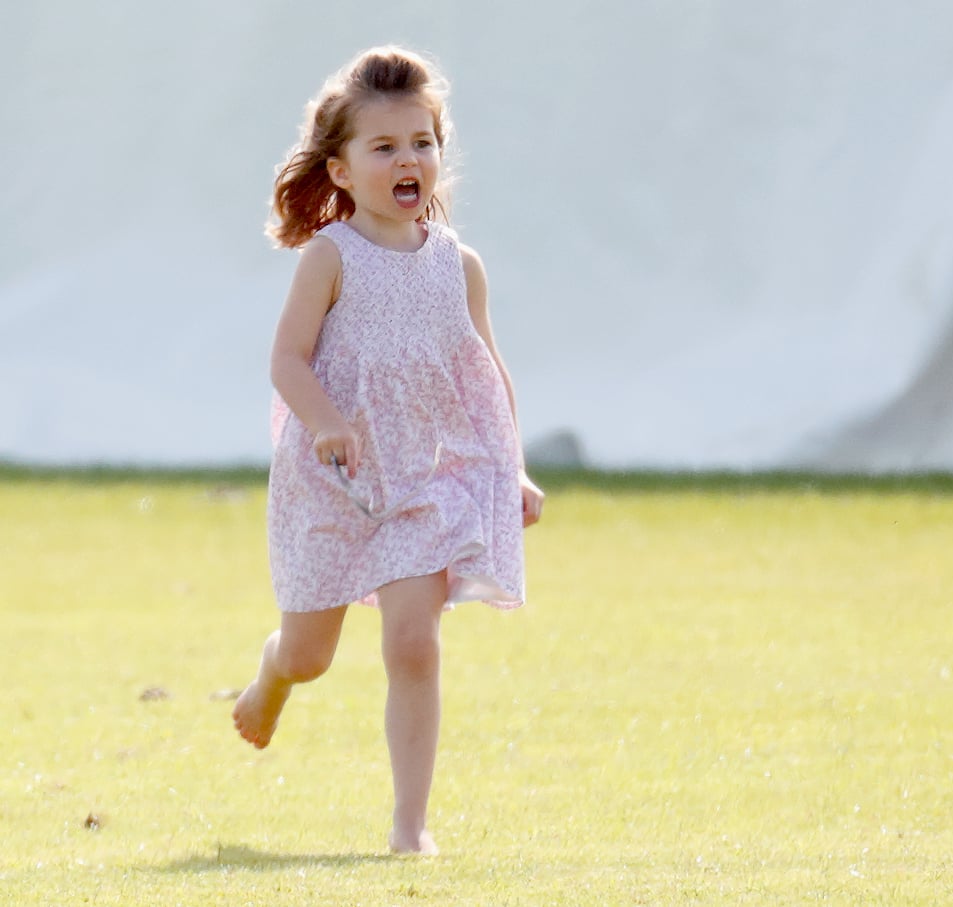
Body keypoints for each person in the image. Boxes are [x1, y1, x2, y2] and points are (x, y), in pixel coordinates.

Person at [232, 45, 544, 856]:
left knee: (414, 640)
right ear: (339, 170)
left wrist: (509, 465)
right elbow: (286, 361)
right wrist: (327, 420)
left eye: (423, 142)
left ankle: (410, 828)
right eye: (385, 147)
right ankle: (270, 677)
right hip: (328, 483)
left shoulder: (457, 267)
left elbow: (483, 372)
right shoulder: (329, 258)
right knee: (311, 653)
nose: (409, 159)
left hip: (420, 484)